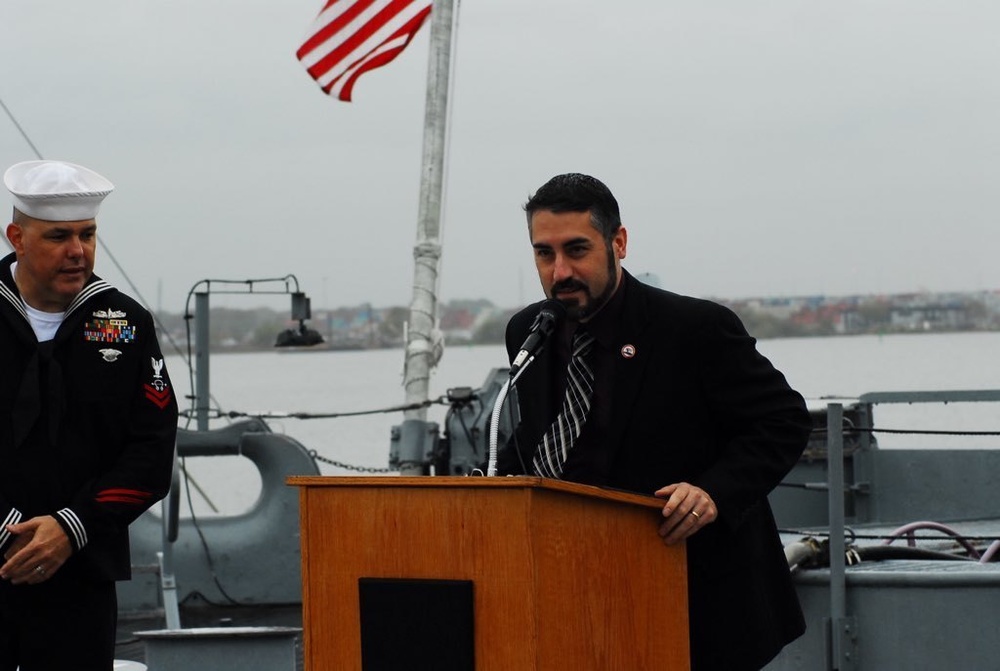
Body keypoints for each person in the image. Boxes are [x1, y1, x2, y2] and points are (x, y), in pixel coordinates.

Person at [500, 173, 812, 670]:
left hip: (695, 596)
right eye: (544, 254)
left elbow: (783, 420)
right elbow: (539, 434)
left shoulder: (695, 329)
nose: (560, 272)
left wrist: (711, 491)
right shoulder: (529, 330)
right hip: (575, 594)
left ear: (618, 242)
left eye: (577, 250)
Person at [0, 160, 177, 670]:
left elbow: (150, 453)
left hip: (79, 571)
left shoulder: (125, 323)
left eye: (88, 234)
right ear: (18, 237)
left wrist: (71, 526)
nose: (78, 250)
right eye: (58, 236)